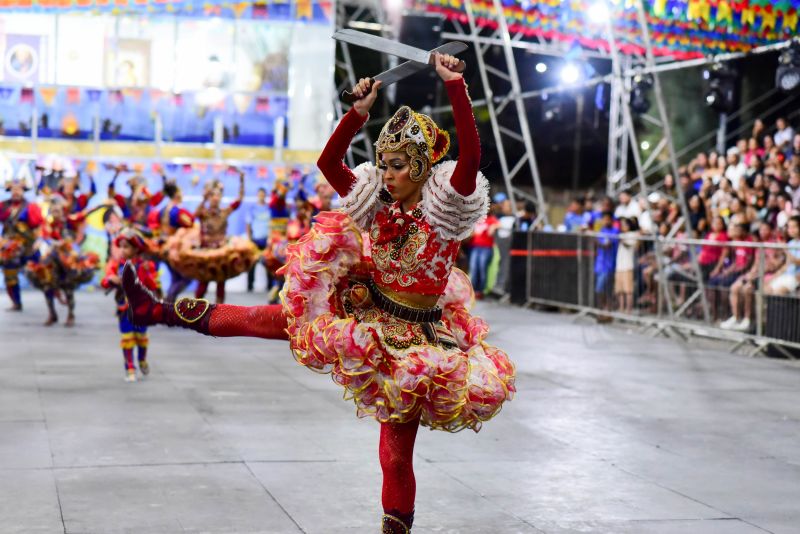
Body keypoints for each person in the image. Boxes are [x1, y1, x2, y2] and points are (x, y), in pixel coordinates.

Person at [120, 53, 515, 533]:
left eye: (395, 165)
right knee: (271, 319)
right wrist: (358, 113)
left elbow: (470, 157)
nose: (385, 174)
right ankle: (154, 311)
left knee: (394, 455)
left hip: (416, 344)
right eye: (382, 164)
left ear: (419, 166)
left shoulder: (444, 211)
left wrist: (455, 84)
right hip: (366, 310)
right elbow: (329, 162)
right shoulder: (378, 207)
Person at [25, 196, 98, 326]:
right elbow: (42, 238)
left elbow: (84, 214)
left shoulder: (69, 221)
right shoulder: (47, 225)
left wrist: (102, 205)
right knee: (47, 285)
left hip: (66, 259)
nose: (55, 213)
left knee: (68, 287)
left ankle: (71, 314)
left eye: (58, 210)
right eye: (53, 210)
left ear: (62, 210)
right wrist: (41, 242)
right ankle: (52, 313)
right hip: (51, 259)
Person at [101, 228, 159, 382]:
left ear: (135, 249)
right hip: (124, 308)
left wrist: (146, 276)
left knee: (141, 337)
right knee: (127, 338)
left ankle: (142, 359)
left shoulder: (146, 266)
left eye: (126, 247)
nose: (122, 250)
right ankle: (130, 368)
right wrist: (111, 280)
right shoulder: (116, 264)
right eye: (121, 246)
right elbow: (105, 282)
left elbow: (153, 285)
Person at [721, 222, 784, 331]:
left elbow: (776, 265)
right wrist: (751, 273)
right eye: (761, 229)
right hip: (755, 274)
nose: (763, 232)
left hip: (767, 276)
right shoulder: (760, 245)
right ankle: (735, 318)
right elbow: (756, 263)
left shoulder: (775, 245)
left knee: (747, 289)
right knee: (734, 287)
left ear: (771, 231)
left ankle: (747, 320)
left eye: (766, 229)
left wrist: (768, 257)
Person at [148, 177, 194, 300]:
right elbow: (190, 223)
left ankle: (169, 302)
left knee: (176, 276)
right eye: (181, 193)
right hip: (172, 247)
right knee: (185, 277)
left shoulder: (163, 210)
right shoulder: (177, 211)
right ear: (177, 195)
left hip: (163, 245)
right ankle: (169, 300)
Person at [0, 176, 42, 311]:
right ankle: (16, 303)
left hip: (27, 246)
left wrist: (38, 241)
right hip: (9, 248)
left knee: (41, 272)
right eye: (13, 189)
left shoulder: (30, 207)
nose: (16, 192)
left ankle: (53, 295)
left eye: (18, 189)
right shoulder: (3, 205)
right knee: (10, 275)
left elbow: (38, 227)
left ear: (23, 191)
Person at [468, 207, 499, 299]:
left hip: (486, 247)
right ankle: (473, 290)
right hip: (475, 247)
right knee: (473, 268)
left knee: (482, 268)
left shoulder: (491, 219)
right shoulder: (477, 219)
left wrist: (493, 227)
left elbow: (498, 224)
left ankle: (480, 290)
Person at [245, 187, 271, 292]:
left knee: (269, 262)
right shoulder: (252, 208)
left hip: (267, 239)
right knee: (252, 263)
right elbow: (248, 224)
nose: (261, 196)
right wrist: (249, 238)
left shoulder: (269, 208)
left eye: (263, 194)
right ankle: (250, 286)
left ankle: (270, 286)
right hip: (255, 239)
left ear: (265, 195)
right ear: (257, 195)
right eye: (260, 194)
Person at [766, 217, 800, 296]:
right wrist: (776, 275)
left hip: (796, 277)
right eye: (789, 227)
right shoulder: (791, 243)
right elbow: (788, 264)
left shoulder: (788, 246)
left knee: (778, 292)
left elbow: (797, 262)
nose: (790, 230)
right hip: (787, 276)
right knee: (765, 288)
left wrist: (785, 249)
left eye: (794, 227)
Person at [594, 212, 619, 312]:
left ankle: (608, 309)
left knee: (607, 288)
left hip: (610, 265)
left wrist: (598, 242)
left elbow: (606, 245)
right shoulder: (601, 230)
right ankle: (602, 309)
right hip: (600, 264)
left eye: (608, 219)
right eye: (604, 219)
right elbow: (598, 243)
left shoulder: (615, 231)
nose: (606, 221)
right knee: (600, 288)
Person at [615, 217, 638, 314]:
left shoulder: (633, 234)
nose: (623, 226)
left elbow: (632, 245)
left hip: (628, 265)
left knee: (628, 290)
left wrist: (623, 241)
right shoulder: (620, 235)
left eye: (625, 224)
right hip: (619, 265)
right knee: (620, 290)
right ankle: (621, 308)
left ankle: (629, 309)